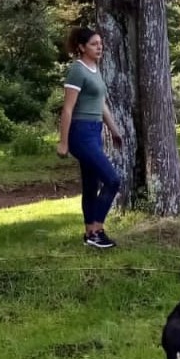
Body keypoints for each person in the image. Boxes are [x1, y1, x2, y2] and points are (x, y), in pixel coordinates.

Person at [58, 26, 124, 249]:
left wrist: (114, 131)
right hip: (80, 133)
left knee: (90, 184)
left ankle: (89, 233)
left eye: (101, 44)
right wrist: (63, 142)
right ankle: (97, 230)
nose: (99, 48)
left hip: (94, 132)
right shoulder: (77, 70)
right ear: (81, 47)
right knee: (112, 180)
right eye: (94, 44)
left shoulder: (94, 68)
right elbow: (67, 109)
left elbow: (101, 105)